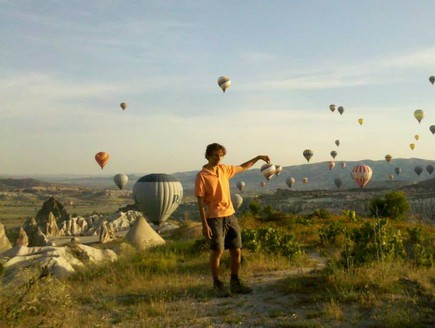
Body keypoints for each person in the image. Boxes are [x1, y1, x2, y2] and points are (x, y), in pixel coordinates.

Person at [195, 143, 271, 296]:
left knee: (236, 250)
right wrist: (204, 225)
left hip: (230, 214)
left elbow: (243, 167)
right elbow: (200, 203)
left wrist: (258, 158)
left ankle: (235, 282)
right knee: (217, 250)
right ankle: (217, 284)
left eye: (221, 155)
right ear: (208, 155)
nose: (218, 158)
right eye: (215, 155)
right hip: (214, 217)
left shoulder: (224, 169)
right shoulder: (202, 176)